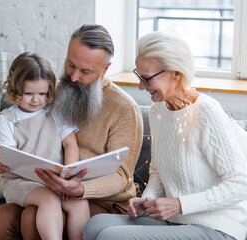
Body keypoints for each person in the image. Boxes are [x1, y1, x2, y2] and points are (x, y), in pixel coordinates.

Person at [83, 31, 247, 240]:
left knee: (111, 236)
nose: (141, 86)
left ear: (176, 73)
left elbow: (240, 183)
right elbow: (157, 171)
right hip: (176, 220)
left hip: (216, 226)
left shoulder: (206, 113)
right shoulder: (158, 110)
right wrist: (148, 200)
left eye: (146, 78)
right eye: (138, 75)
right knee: (95, 225)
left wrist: (179, 205)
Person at [0, 24, 143, 240]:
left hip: (102, 199)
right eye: (71, 65)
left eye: (85, 71)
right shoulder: (48, 91)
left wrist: (80, 190)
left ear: (105, 70)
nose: (74, 77)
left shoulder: (124, 109)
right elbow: (12, 132)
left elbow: (122, 176)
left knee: (32, 218)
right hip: (45, 184)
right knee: (0, 218)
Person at [0, 52, 90, 240]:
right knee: (49, 199)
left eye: (42, 94)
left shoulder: (56, 112)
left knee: (79, 203)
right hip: (20, 181)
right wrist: (47, 182)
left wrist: (67, 176)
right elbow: (11, 159)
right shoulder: (7, 119)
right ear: (15, 90)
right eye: (28, 94)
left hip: (56, 180)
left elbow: (70, 144)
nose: (36, 100)